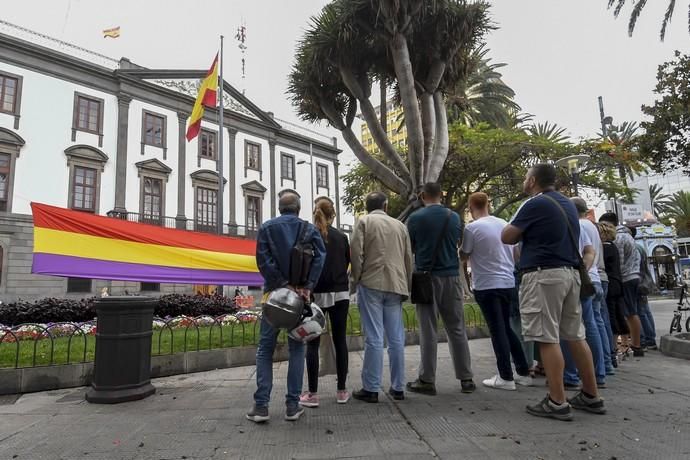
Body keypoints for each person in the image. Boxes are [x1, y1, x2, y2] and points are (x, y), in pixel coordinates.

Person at [502, 163, 605, 421]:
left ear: (533, 180)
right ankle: (591, 395)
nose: (525, 182)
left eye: (526, 178)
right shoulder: (568, 204)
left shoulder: (534, 203)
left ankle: (557, 400)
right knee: (575, 335)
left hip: (544, 275)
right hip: (570, 274)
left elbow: (507, 236)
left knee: (547, 337)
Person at [246, 191, 326, 423]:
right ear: (298, 209)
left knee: (265, 350)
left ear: (280, 208)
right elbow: (320, 257)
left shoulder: (267, 228)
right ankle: (292, 406)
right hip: (300, 298)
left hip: (273, 297)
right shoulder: (308, 229)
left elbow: (263, 260)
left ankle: (261, 406)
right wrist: (307, 286)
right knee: (297, 349)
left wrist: (282, 284)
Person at [406, 183, 475, 396]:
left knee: (428, 329)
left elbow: (411, 247)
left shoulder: (415, 218)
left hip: (426, 278)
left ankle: (427, 379)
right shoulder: (454, 217)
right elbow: (456, 242)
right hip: (451, 276)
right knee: (456, 327)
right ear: (441, 195)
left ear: (423, 195)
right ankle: (466, 378)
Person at [460, 192, 531, 391]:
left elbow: (464, 255)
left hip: (486, 284)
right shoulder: (504, 223)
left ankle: (505, 376)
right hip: (508, 282)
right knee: (506, 328)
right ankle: (523, 371)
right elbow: (517, 254)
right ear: (488, 204)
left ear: (470, 207)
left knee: (497, 330)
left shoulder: (471, 228)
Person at [350, 192, 413, 403]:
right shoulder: (400, 225)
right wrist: (407, 285)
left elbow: (356, 253)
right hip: (396, 283)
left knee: (374, 336)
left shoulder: (364, 222)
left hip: (371, 282)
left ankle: (371, 387)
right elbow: (407, 258)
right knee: (396, 337)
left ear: (367, 207)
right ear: (385, 206)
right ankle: (398, 387)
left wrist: (357, 279)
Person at [300, 197, 352, 407]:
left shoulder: (309, 235)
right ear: (334, 214)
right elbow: (348, 261)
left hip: (317, 294)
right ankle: (342, 390)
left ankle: (312, 394)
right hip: (340, 293)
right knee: (341, 342)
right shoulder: (342, 237)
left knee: (312, 343)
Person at [561, 198, 609, 389]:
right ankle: (602, 370)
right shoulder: (592, 226)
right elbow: (592, 252)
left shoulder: (576, 225)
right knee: (595, 324)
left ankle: (572, 374)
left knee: (574, 327)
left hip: (583, 278)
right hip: (595, 278)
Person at [599, 212, 644, 357]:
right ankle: (634, 343)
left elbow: (619, 262)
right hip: (633, 276)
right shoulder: (628, 236)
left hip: (626, 278)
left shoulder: (619, 238)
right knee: (631, 312)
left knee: (630, 312)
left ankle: (636, 345)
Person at [629, 226, 658, 350]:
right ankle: (650, 339)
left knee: (639, 312)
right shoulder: (639, 247)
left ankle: (645, 340)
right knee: (645, 311)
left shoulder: (633, 248)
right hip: (643, 282)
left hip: (637, 283)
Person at [595, 222, 619, 368]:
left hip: (604, 280)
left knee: (602, 318)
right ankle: (610, 355)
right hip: (610, 281)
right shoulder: (611, 247)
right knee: (605, 317)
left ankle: (609, 355)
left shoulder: (605, 247)